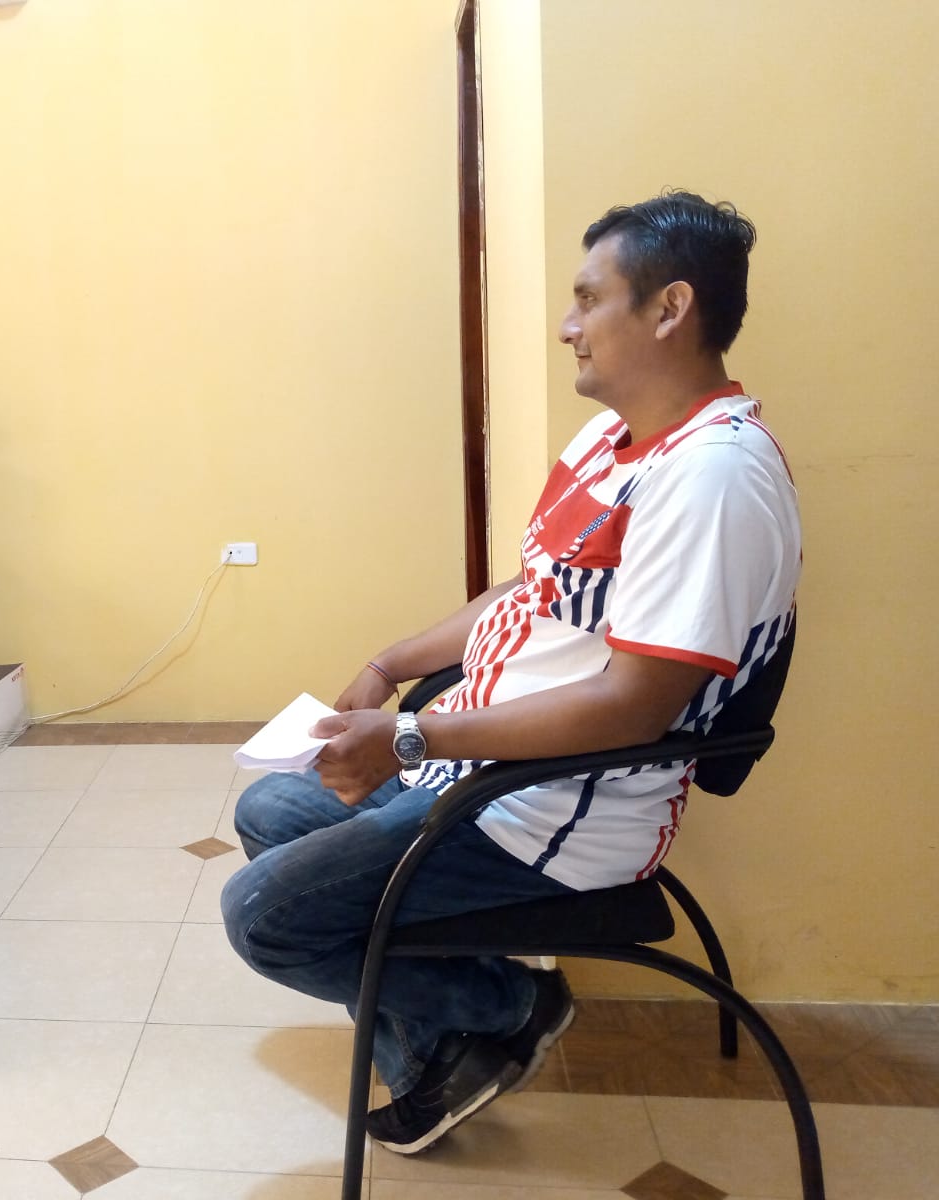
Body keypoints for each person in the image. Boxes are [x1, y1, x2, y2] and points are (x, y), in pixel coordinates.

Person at [222, 192, 801, 1156]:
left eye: (589, 299)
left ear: (669, 308)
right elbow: (530, 592)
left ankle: (506, 1007)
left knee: (264, 918)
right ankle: (446, 1050)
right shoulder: (611, 441)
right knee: (271, 809)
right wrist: (387, 667)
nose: (568, 326)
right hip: (480, 771)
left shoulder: (712, 477)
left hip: (547, 811)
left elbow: (633, 706)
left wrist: (412, 736)